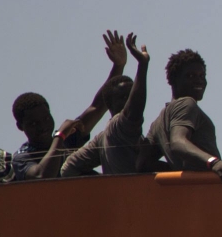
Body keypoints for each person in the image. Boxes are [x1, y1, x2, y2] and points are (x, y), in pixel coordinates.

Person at [55, 31, 152, 178]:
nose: (129, 100)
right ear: (110, 105)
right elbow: (132, 108)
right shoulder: (120, 125)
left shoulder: (102, 138)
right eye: (124, 97)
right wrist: (142, 66)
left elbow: (68, 168)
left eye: (131, 94)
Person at [142, 49, 222, 180]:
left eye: (202, 76)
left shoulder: (159, 121)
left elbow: (143, 163)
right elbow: (178, 141)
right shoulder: (187, 103)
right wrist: (212, 162)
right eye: (191, 76)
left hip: (189, 193)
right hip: (207, 189)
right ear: (173, 80)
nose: (199, 81)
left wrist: (179, 172)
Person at [7, 91, 56, 180]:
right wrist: (60, 137)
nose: (43, 126)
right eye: (33, 124)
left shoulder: (65, 140)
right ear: (20, 126)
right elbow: (41, 176)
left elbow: (85, 122)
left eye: (46, 118)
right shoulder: (21, 157)